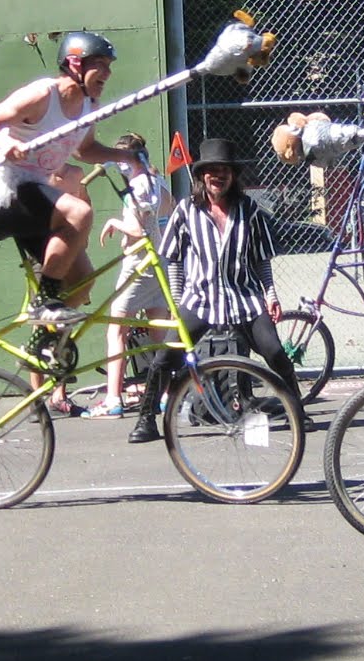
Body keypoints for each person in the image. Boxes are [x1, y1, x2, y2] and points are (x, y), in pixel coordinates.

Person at [0, 31, 144, 336]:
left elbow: (86, 151)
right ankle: (44, 302)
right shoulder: (43, 95)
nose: (108, 73)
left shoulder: (88, 107)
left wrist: (127, 156)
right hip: (4, 192)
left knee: (83, 281)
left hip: (36, 199)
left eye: (110, 65)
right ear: (74, 64)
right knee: (79, 213)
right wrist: (2, 143)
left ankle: (44, 341)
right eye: (100, 64)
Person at [133, 137, 310, 444]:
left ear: (233, 175)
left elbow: (261, 259)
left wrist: (271, 295)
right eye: (212, 170)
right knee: (166, 359)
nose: (218, 176)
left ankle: (297, 408)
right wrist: (176, 304)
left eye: (224, 170)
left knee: (274, 351)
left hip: (245, 299)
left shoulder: (250, 211)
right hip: (200, 300)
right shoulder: (186, 210)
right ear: (202, 175)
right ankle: (146, 420)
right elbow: (174, 259)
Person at [85, 134, 175, 421]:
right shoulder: (158, 184)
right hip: (158, 263)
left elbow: (138, 231)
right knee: (158, 331)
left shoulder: (137, 186)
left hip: (138, 266)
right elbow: (170, 215)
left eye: (121, 160)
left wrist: (114, 223)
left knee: (117, 330)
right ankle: (165, 394)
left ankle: (113, 399)